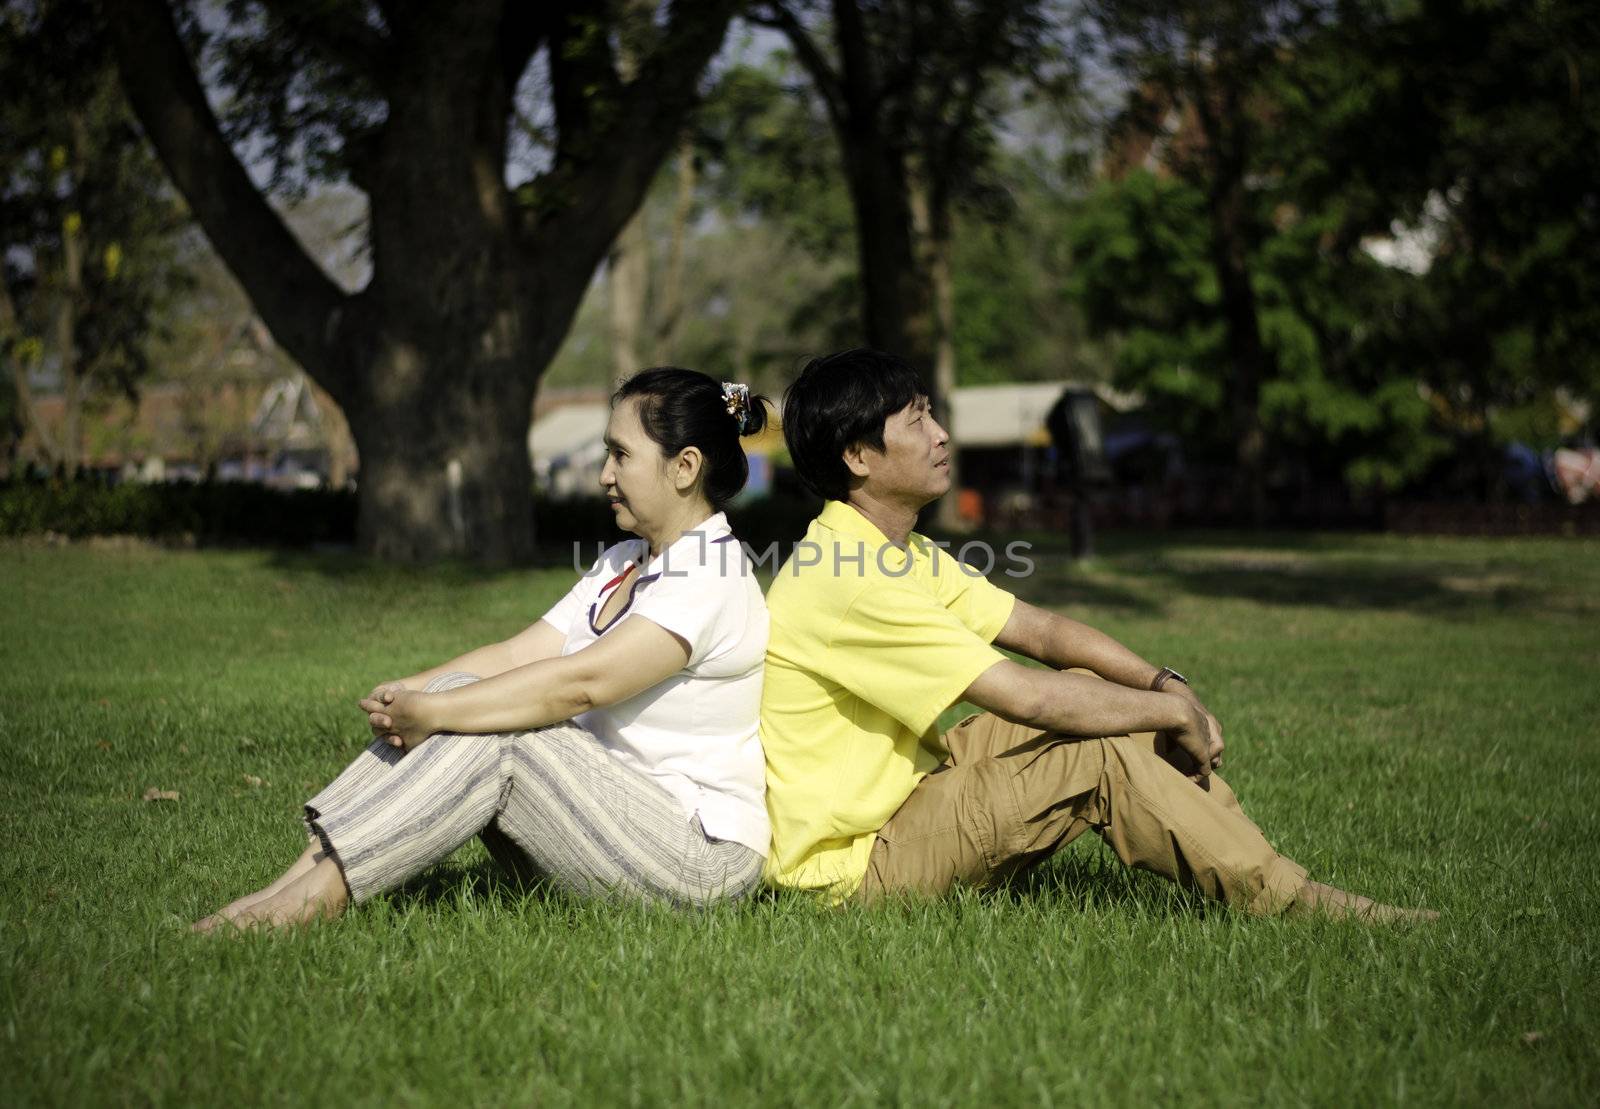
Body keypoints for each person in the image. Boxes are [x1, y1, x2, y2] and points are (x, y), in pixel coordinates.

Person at [759, 348, 1434, 923]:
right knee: (1095, 750)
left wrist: (1160, 684)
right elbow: (1029, 699)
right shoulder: (847, 577)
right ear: (857, 456)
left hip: (910, 798)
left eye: (933, 413)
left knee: (1099, 691)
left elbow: (1040, 631)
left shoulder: (896, 550)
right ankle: (1288, 897)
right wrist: (1173, 711)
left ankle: (1255, 859)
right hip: (855, 869)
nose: (941, 434)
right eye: (917, 421)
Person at [196, 369, 773, 931]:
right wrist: (412, 692)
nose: (603, 474)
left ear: (685, 467)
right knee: (463, 697)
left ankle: (315, 900)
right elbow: (518, 655)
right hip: (602, 825)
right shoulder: (625, 561)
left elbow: (582, 684)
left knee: (501, 739)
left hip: (696, 861)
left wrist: (438, 714)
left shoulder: (710, 573)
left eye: (621, 455)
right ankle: (283, 890)